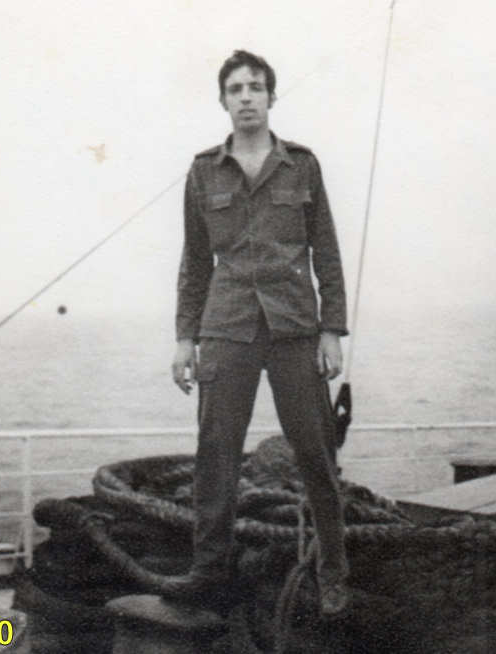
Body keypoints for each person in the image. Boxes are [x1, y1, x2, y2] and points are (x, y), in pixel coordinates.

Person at [168, 50, 350, 616]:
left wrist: (332, 330)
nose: (246, 97)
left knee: (315, 453)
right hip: (226, 327)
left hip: (294, 327)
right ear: (223, 100)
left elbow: (326, 251)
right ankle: (208, 572)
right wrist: (184, 339)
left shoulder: (303, 166)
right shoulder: (202, 171)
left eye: (255, 87)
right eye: (235, 88)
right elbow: (195, 262)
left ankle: (333, 571)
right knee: (216, 455)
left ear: (272, 96)